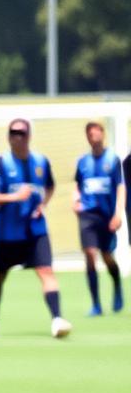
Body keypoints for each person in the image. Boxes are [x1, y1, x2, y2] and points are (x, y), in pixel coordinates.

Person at [0, 118, 71, 340]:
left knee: (46, 271)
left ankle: (57, 319)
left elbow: (50, 186)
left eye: (21, 133)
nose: (17, 137)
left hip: (35, 231)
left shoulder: (41, 162)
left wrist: (43, 204)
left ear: (29, 136)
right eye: (13, 133)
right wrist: (14, 197)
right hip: (7, 233)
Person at [73, 122, 125, 316]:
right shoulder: (82, 162)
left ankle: (117, 286)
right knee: (89, 253)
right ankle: (95, 303)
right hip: (87, 215)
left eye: (95, 134)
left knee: (106, 256)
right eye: (89, 135)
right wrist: (75, 200)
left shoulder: (112, 160)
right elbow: (78, 185)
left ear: (102, 135)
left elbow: (120, 187)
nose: (92, 137)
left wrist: (118, 213)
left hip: (107, 215)